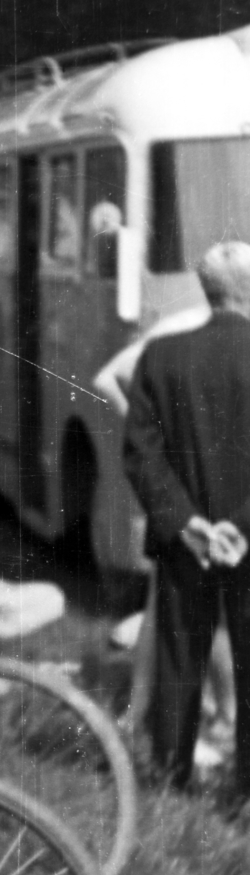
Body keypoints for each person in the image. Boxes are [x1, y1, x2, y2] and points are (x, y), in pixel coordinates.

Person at [123, 240, 250, 798]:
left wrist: (187, 522)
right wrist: (238, 527)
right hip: (247, 538)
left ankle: (169, 784)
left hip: (184, 540)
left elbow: (140, 453)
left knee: (179, 659)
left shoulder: (161, 356)